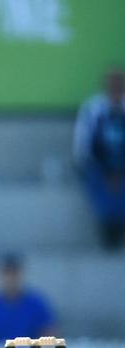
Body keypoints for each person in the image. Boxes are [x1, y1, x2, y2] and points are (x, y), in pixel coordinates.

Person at [73, 68, 125, 250]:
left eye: (119, 83)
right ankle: (108, 230)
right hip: (99, 166)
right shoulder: (94, 108)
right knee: (103, 193)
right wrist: (106, 169)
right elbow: (84, 140)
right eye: (112, 83)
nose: (116, 87)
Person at [0, 254, 55, 342]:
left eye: (13, 273)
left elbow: (49, 333)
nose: (10, 278)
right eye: (6, 273)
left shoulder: (36, 304)